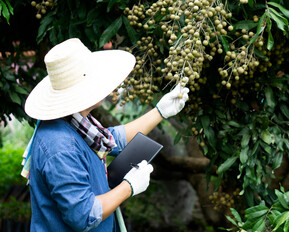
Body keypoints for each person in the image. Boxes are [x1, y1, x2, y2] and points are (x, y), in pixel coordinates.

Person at [21, 38, 189, 231]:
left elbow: (112, 139)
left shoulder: (74, 121)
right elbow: (83, 215)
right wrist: (129, 187)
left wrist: (160, 111)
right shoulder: (61, 146)